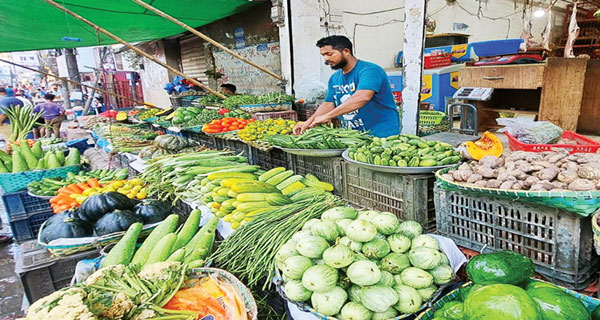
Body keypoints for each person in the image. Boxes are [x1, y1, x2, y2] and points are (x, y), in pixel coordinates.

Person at [293, 35, 400, 138]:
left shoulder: (369, 71)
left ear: (346, 51)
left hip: (381, 136)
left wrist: (328, 116)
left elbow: (362, 97)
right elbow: (328, 104)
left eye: (330, 54)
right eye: (323, 55)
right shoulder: (335, 78)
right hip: (354, 137)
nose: (326, 59)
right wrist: (308, 122)